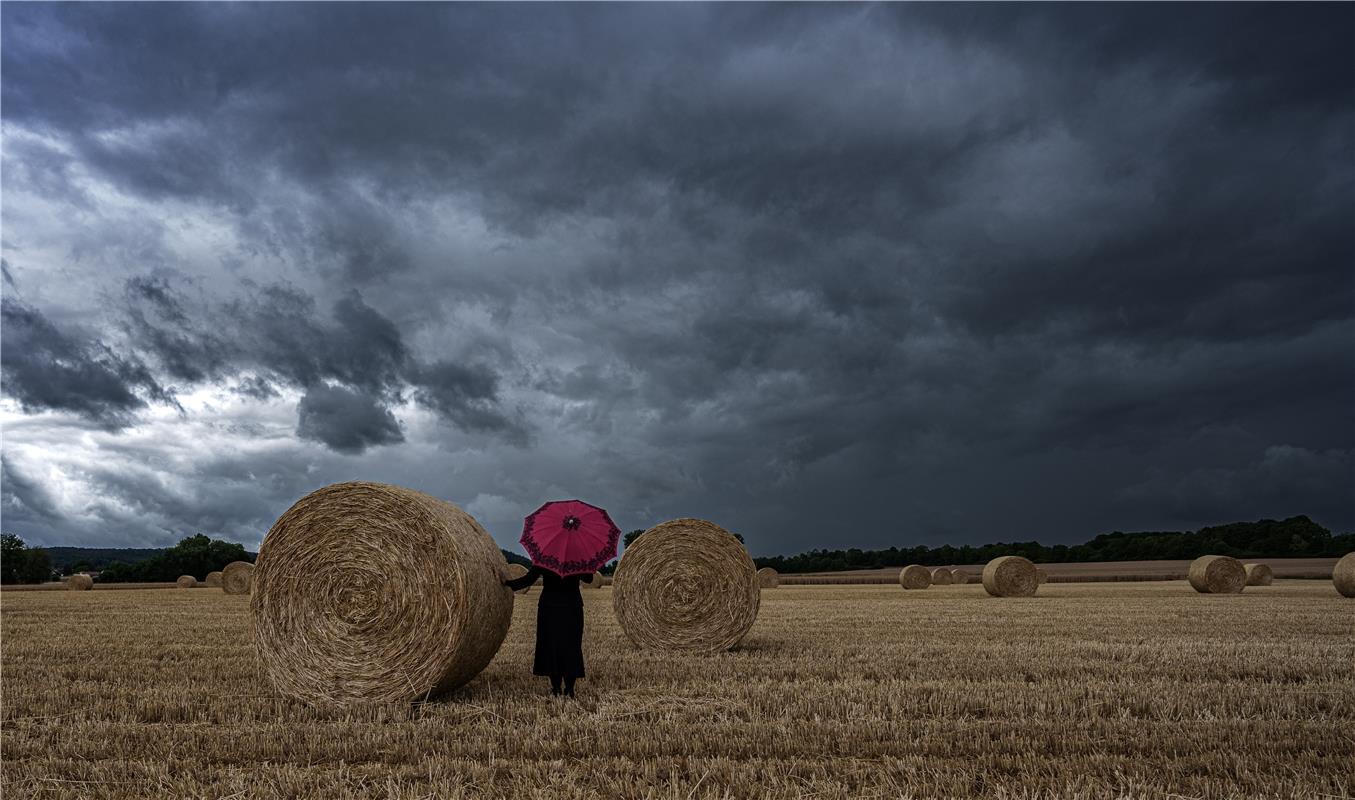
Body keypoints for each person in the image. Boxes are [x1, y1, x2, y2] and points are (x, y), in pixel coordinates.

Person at [504, 565, 592, 697]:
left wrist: (507, 583)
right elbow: (589, 579)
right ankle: (569, 688)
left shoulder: (545, 558)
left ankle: (556, 687)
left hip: (550, 606)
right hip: (572, 606)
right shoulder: (578, 558)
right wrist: (584, 566)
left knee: (551, 646)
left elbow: (529, 579)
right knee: (571, 646)